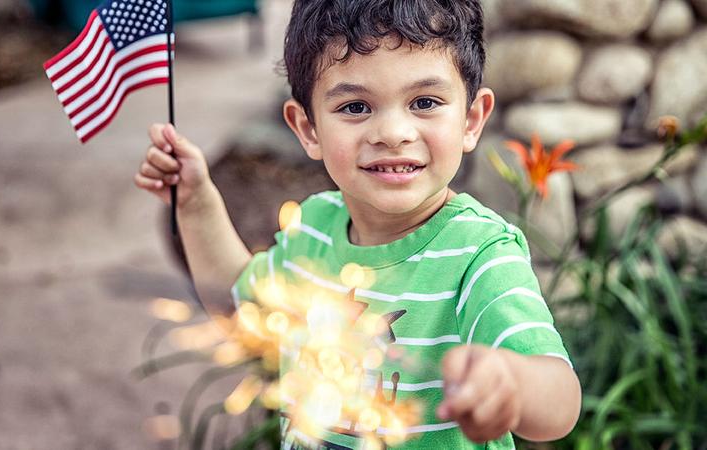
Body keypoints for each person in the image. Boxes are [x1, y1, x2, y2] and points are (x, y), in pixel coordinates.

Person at [133, 0, 582, 448]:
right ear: (307, 128)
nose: (392, 132)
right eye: (355, 107)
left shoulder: (479, 255)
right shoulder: (312, 228)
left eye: (424, 102)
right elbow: (237, 305)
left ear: (471, 119)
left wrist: (511, 383)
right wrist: (194, 204)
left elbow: (558, 402)